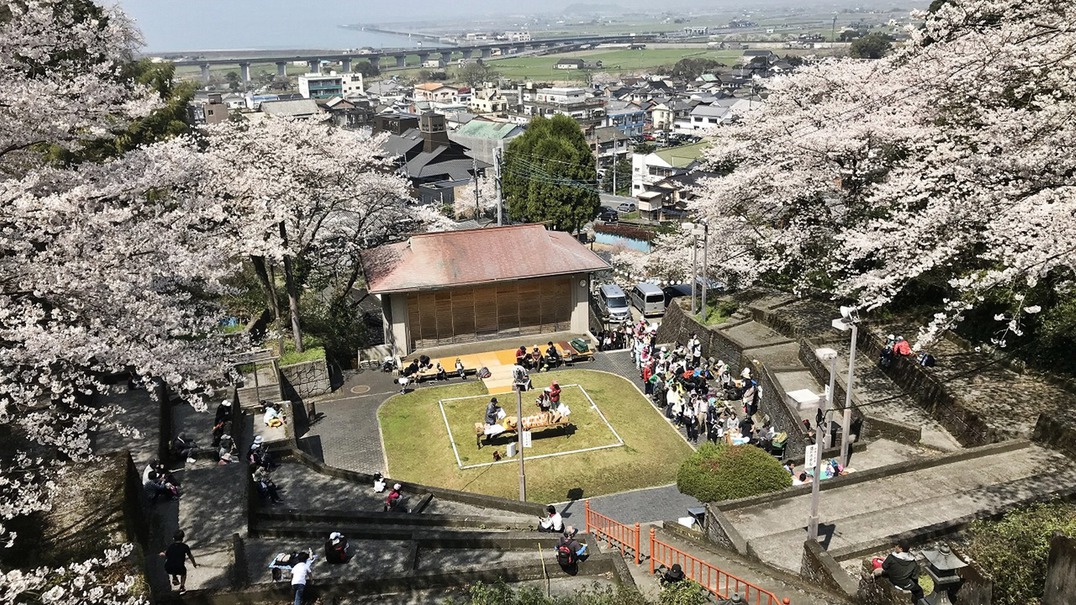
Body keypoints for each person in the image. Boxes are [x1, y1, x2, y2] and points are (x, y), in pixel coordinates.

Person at [160, 530, 197, 594]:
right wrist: (194, 564)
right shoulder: (185, 546)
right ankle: (182, 587)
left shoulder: (171, 547)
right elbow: (190, 556)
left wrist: (161, 554)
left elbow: (166, 554)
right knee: (183, 572)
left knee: (171, 561)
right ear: (182, 538)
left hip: (168, 568)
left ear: (173, 538)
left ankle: (174, 577)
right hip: (179, 568)